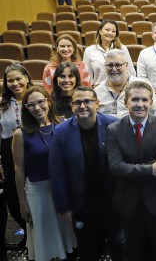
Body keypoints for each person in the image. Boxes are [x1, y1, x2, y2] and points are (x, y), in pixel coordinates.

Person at [49, 86, 127, 261]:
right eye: (77, 102)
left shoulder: (114, 125)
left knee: (119, 245)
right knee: (87, 249)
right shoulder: (61, 132)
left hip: (112, 201)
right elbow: (57, 172)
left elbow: (125, 164)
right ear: (71, 106)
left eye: (87, 101)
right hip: (81, 203)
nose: (82, 106)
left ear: (97, 104)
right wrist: (63, 206)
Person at [107, 81, 156, 261]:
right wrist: (151, 169)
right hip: (129, 205)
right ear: (125, 102)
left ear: (151, 103)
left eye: (144, 99)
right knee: (135, 254)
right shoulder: (114, 130)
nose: (140, 104)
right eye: (135, 99)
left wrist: (131, 168)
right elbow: (115, 167)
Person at [12, 86, 76, 260]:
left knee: (64, 237)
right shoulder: (20, 133)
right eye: (30, 105)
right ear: (25, 108)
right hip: (38, 191)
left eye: (40, 102)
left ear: (49, 101)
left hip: (61, 189)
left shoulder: (62, 125)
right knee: (44, 237)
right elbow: (19, 170)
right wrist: (22, 202)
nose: (37, 107)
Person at [0, 64, 32, 252]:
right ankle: (27, 232)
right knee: (13, 198)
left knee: (36, 193)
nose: (15, 83)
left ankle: (38, 235)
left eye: (18, 78)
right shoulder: (2, 104)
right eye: (10, 80)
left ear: (27, 77)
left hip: (34, 149)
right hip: (8, 150)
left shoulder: (39, 98)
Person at [95, 49, 156, 118]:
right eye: (110, 65)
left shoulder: (143, 87)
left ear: (126, 65)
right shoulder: (97, 91)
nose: (114, 69)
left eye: (118, 65)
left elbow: (154, 111)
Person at [83, 20, 136, 86]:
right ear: (100, 31)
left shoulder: (122, 48)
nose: (110, 33)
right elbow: (87, 75)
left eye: (113, 31)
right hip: (98, 88)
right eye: (107, 30)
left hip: (120, 88)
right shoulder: (89, 50)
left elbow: (131, 71)